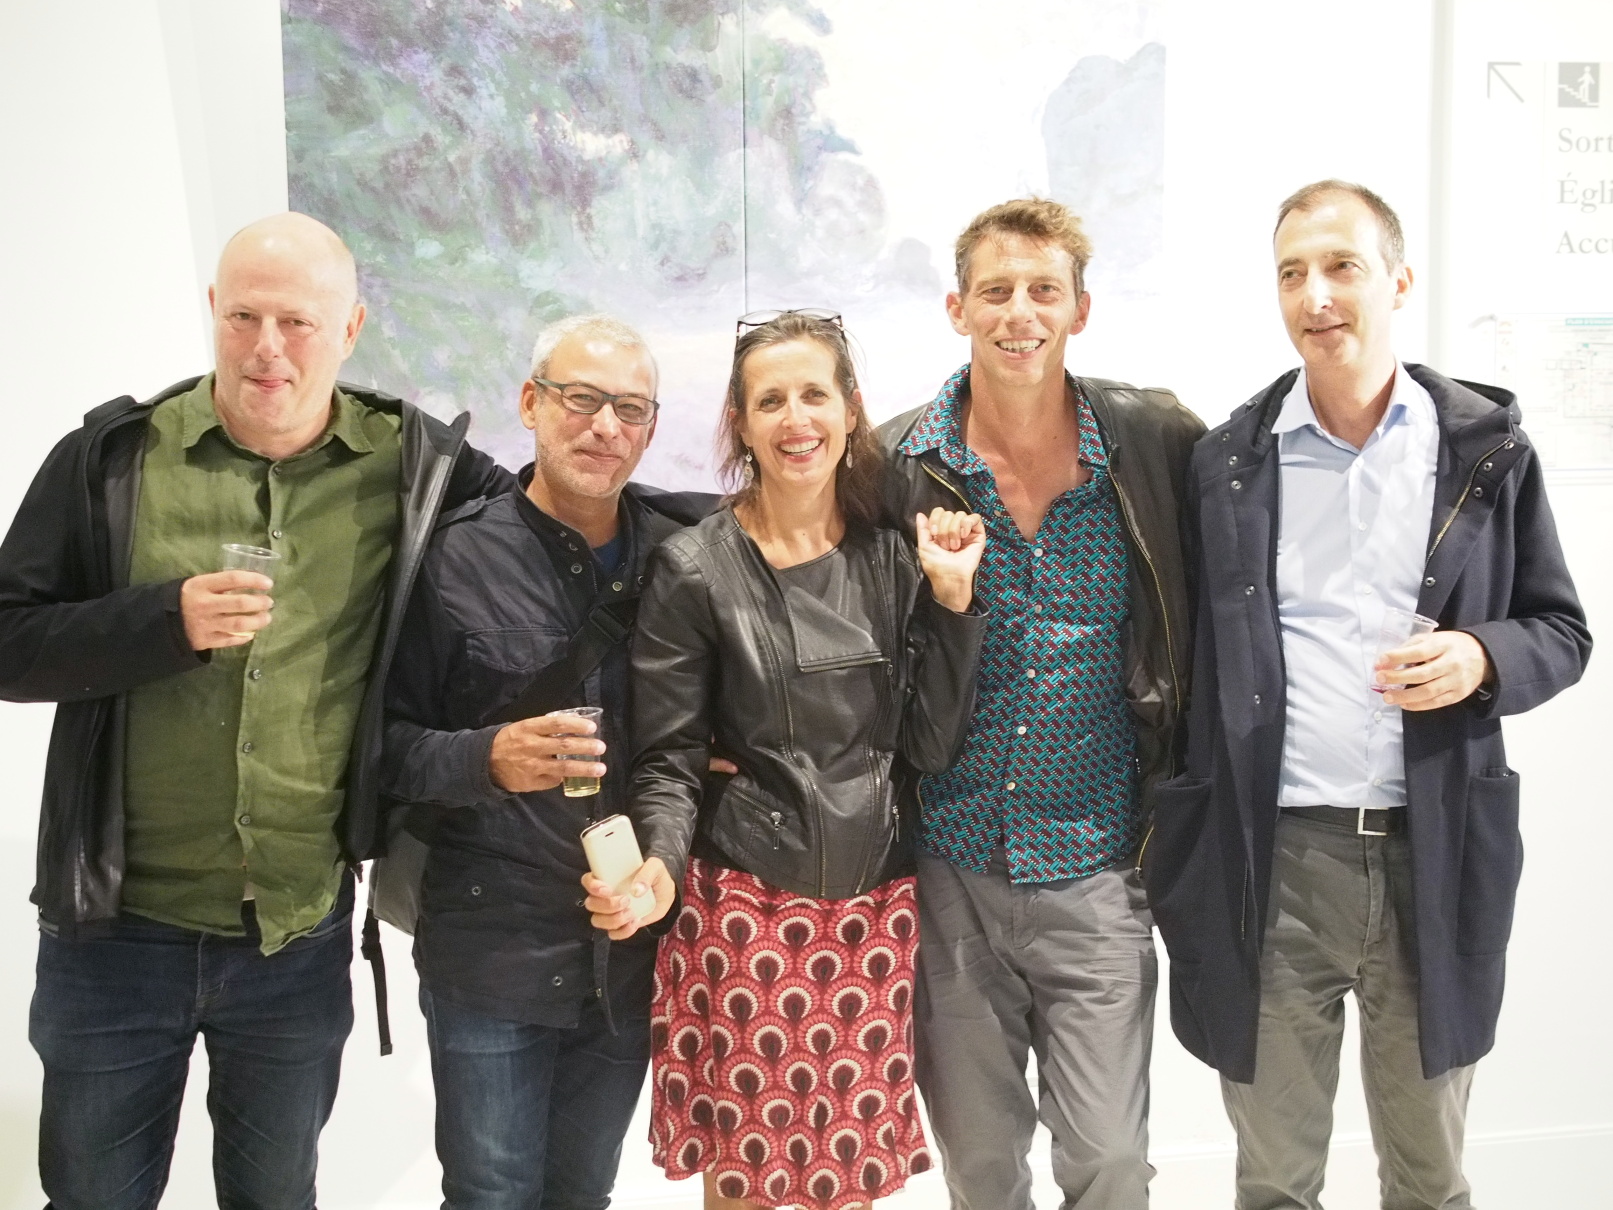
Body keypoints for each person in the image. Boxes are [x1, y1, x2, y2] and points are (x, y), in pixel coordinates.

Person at [0, 212, 509, 1210]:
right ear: (212, 311)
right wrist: (162, 621)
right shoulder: (110, 457)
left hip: (293, 936)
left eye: (298, 322)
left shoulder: (415, 466)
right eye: (243, 316)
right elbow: (7, 642)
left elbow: (549, 527)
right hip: (112, 936)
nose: (266, 347)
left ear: (351, 327)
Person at [1146, 180, 1592, 1210]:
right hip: (1271, 862)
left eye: (1340, 266)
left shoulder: (1481, 450)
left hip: (1429, 854)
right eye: (1290, 273)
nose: (1315, 295)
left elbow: (1560, 631)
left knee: (1428, 1178)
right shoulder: (1227, 461)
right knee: (1273, 1181)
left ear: (1396, 280)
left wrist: (1481, 657)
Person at [589, 310, 988, 1210]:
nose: (795, 419)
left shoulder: (896, 556)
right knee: (748, 1183)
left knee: (850, 1183)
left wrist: (954, 602)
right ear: (740, 422)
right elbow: (668, 759)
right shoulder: (695, 569)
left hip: (874, 910)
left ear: (850, 409)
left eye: (814, 394)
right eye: (770, 401)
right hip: (743, 909)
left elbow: (929, 746)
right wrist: (658, 864)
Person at [878, 198, 1203, 1209]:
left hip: (1099, 864)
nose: (1018, 312)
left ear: (1078, 309)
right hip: (950, 863)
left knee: (1108, 1159)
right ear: (956, 308)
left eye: (1042, 291)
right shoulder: (894, 464)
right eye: (995, 291)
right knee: (980, 1169)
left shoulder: (1153, 442)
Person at [381, 314, 717, 1210]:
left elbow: (680, 750)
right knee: (489, 1194)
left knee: (582, 1194)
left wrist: (664, 864)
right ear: (530, 403)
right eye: (580, 399)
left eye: (629, 409)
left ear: (650, 429)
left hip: (625, 952)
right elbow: (380, 751)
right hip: (490, 950)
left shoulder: (683, 556)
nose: (604, 426)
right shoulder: (450, 559)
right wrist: (484, 758)